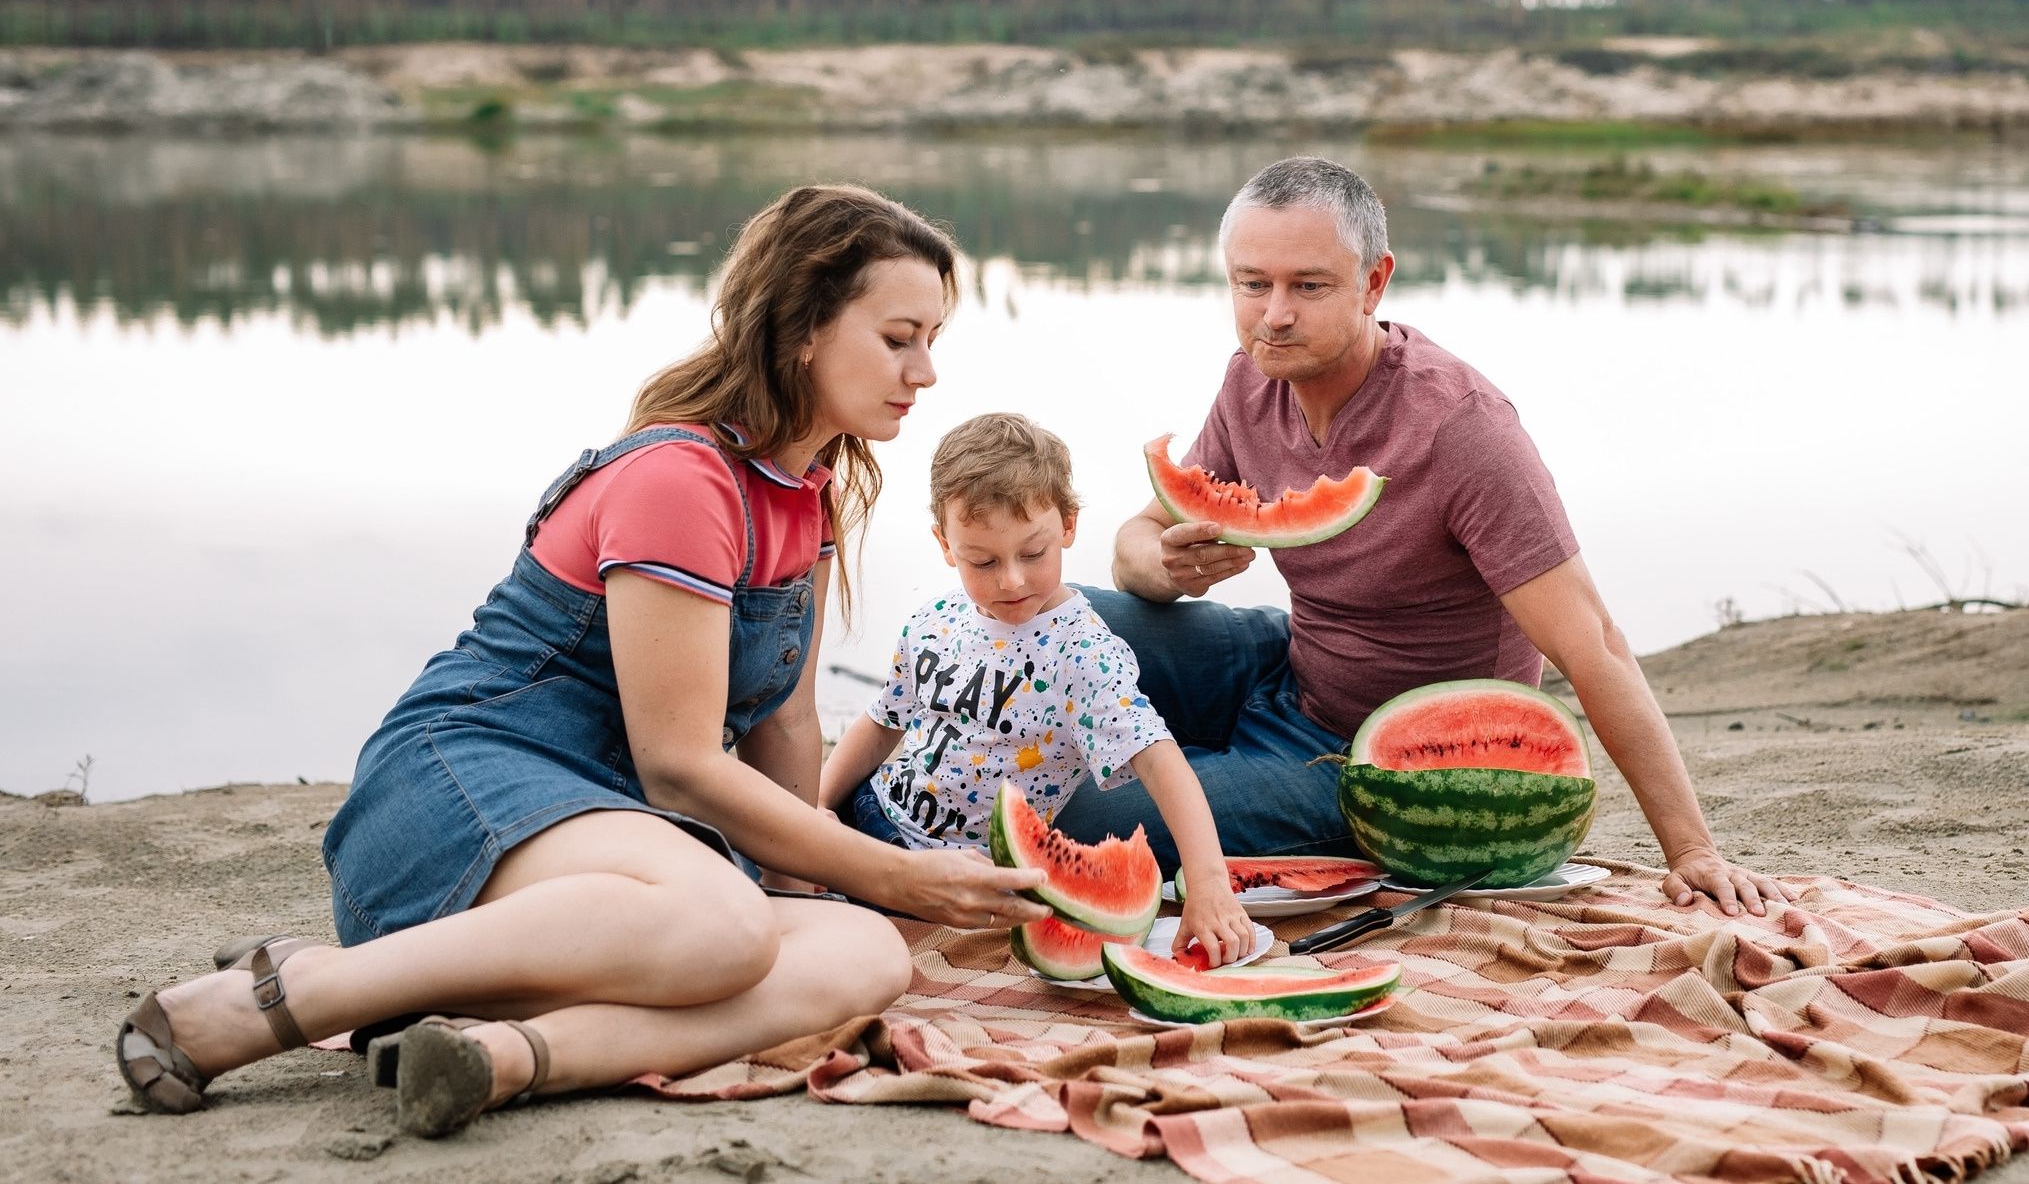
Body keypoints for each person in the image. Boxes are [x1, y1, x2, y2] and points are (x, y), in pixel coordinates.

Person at [115, 186, 1053, 1135]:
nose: (925, 371)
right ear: (807, 327)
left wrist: (804, 893)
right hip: (461, 796)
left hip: (621, 857)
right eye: (899, 338)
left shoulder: (806, 497)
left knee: (863, 954)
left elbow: (786, 722)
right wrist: (888, 871)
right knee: (727, 928)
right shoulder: (680, 477)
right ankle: (295, 993)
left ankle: (504, 1056)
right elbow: (678, 763)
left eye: (932, 339)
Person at [1057, 156, 1788, 917]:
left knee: (1086, 821)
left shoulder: (1460, 428)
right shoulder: (1252, 380)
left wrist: (1692, 850)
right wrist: (1166, 566)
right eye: (1252, 284)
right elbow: (1137, 541)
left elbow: (1594, 644)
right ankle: (1195, 765)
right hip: (1292, 663)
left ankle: (1217, 782)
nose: (1274, 314)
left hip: (1389, 758)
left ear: (1374, 282)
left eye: (1309, 286)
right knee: (1059, 614)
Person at [818, 412, 1256, 964]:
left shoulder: (1083, 654)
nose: (1012, 580)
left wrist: (1209, 885)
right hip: (867, 814)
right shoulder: (933, 619)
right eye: (982, 560)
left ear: (1068, 526)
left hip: (964, 879)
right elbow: (882, 723)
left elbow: (1160, 759)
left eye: (1033, 553)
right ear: (945, 545)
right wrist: (817, 806)